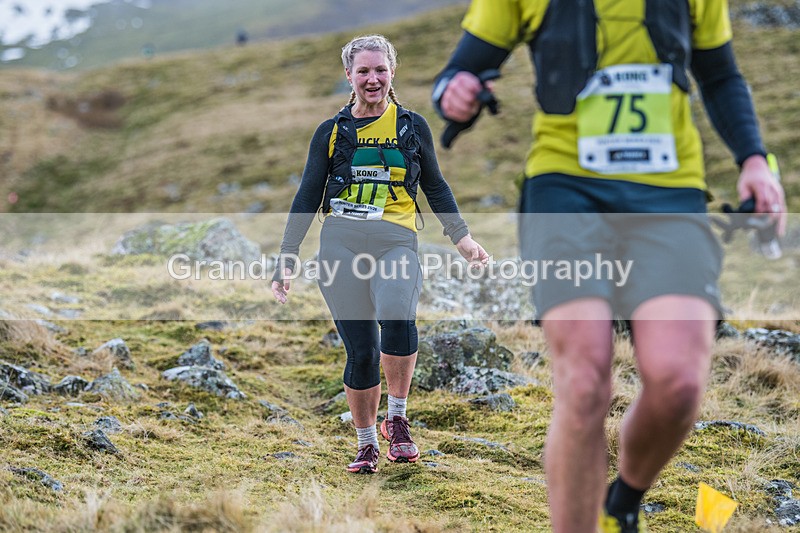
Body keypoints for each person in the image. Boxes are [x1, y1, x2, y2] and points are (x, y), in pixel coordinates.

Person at [432, 2, 787, 532]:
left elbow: (720, 74)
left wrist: (755, 160)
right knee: (585, 381)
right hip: (565, 191)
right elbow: (460, 70)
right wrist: (454, 93)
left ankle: (620, 506)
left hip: (669, 196)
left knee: (679, 383)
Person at [272, 34, 489, 474]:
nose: (373, 79)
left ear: (393, 72)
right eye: (363, 71)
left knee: (397, 314)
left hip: (396, 240)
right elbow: (308, 195)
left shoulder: (412, 126)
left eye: (380, 70)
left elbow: (435, 185)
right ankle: (367, 444)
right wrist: (287, 255)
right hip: (341, 244)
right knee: (363, 352)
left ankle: (398, 419)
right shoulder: (331, 133)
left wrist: (461, 237)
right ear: (348, 76)